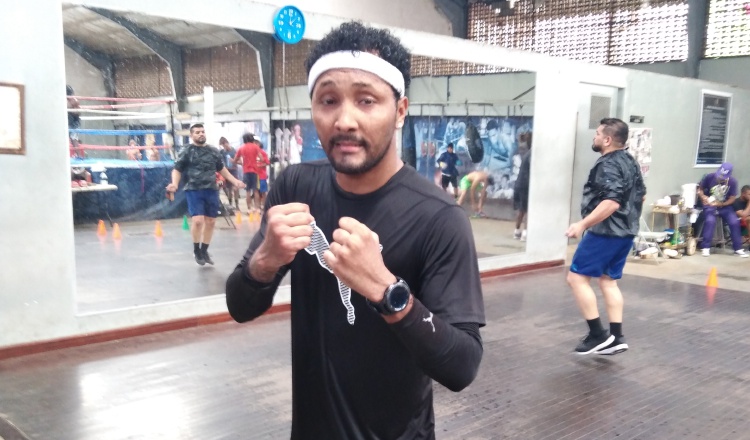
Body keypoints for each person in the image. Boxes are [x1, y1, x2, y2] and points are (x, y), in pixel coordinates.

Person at [225, 21, 485, 439]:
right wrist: (265, 260)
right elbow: (241, 306)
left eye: (366, 101)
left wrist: (388, 292)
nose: (344, 120)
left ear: (400, 110)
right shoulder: (295, 187)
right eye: (328, 100)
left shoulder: (439, 218)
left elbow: (462, 366)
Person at [565, 118, 646, 356]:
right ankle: (616, 338)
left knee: (576, 278)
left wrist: (582, 224)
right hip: (626, 232)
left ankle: (597, 335)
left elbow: (611, 202)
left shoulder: (607, 165)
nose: (595, 137)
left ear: (608, 140)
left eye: (598, 133)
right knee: (608, 281)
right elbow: (640, 196)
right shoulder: (630, 161)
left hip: (606, 232)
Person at [166, 123, 245, 266]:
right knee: (198, 221)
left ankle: (204, 250)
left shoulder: (213, 151)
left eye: (202, 131)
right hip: (194, 190)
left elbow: (222, 169)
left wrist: (235, 181)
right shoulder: (186, 151)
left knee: (211, 222)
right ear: (191, 136)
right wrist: (175, 184)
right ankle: (196, 250)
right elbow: (177, 169)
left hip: (211, 189)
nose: (201, 134)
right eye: (197, 132)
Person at [697, 163, 748, 257]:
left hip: (724, 205)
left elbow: (732, 198)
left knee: (734, 222)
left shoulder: (733, 182)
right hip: (710, 204)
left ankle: (738, 248)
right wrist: (703, 197)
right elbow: (700, 189)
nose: (720, 178)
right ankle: (706, 247)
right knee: (710, 220)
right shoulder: (710, 176)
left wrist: (721, 204)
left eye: (723, 177)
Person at [234, 133, 262, 214]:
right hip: (255, 172)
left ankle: (249, 209)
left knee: (248, 191)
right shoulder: (256, 147)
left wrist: (243, 163)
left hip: (246, 172)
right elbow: (261, 158)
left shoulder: (241, 148)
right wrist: (256, 162)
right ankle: (257, 209)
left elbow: (235, 159)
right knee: (256, 190)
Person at [513, 132, 532, 241]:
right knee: (528, 209)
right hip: (526, 184)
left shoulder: (524, 152)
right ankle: (525, 233)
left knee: (521, 209)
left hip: (519, 183)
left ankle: (517, 231)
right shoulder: (531, 154)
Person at [219, 136, 240, 210]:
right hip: (226, 171)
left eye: (224, 145)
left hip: (234, 170)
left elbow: (240, 161)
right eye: (222, 146)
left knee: (236, 188)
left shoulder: (234, 151)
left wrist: (234, 161)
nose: (224, 147)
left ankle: (237, 204)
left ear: (227, 143)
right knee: (228, 188)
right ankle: (230, 204)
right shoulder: (222, 152)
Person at [66, 85, 83, 158]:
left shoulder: (74, 100)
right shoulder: (67, 100)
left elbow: (78, 112)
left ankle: (79, 156)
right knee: (70, 138)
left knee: (74, 139)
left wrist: (70, 111)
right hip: (70, 121)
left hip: (74, 121)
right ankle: (76, 155)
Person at [254, 140, 271, 212]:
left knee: (264, 192)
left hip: (262, 175)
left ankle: (264, 206)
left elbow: (267, 162)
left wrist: (259, 165)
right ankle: (257, 207)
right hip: (254, 175)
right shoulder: (253, 153)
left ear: (258, 144)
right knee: (256, 191)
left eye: (255, 143)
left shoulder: (263, 153)